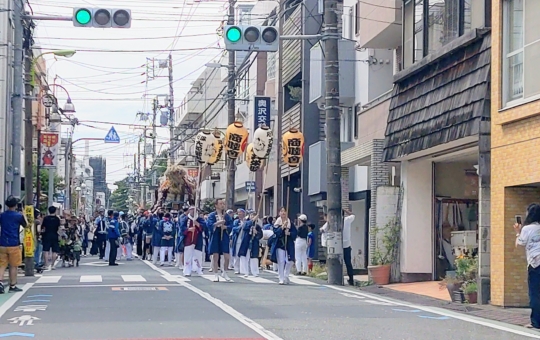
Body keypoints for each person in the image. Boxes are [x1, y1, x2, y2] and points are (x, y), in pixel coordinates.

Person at [515, 203, 540, 329]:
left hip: (535, 264)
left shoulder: (527, 228)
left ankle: (536, 322)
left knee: (535, 293)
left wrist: (518, 232)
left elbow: (519, 245)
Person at [0, 196, 27, 292]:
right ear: (16, 205)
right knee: (13, 265)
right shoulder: (18, 216)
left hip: (2, 243)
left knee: (2, 265)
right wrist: (23, 214)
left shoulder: (2, 215)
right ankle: (12, 286)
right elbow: (26, 225)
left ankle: (0, 283)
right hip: (14, 243)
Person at [206, 199, 233, 282]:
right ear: (216, 205)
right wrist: (217, 223)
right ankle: (216, 274)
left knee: (227, 256)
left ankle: (224, 272)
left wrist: (226, 227)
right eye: (220, 203)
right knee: (215, 256)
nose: (222, 205)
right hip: (215, 236)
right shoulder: (212, 215)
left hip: (224, 236)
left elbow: (231, 225)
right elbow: (209, 225)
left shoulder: (226, 215)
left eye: (223, 204)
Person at [270, 208, 297, 285]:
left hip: (288, 244)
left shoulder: (290, 223)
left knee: (290, 261)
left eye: (284, 211)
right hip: (280, 244)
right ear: (279, 213)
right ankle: (281, 278)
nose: (283, 213)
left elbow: (295, 233)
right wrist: (282, 227)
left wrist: (289, 233)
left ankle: (286, 274)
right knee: (281, 261)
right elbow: (276, 233)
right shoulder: (276, 223)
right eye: (281, 211)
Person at [181, 206, 205, 276]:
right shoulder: (185, 219)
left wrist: (197, 224)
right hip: (188, 240)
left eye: (194, 210)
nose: (192, 211)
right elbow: (181, 227)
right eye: (191, 210)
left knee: (198, 255)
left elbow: (204, 227)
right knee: (187, 256)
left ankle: (198, 269)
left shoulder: (199, 219)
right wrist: (188, 229)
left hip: (197, 239)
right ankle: (187, 271)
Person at [41, 206, 61, 270]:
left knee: (46, 250)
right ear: (55, 211)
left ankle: (46, 265)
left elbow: (43, 227)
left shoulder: (46, 218)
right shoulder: (57, 219)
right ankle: (53, 265)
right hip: (55, 235)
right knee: (54, 251)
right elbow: (59, 227)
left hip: (47, 235)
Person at [231, 209, 248, 275]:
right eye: (239, 213)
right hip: (237, 240)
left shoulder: (247, 221)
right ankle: (236, 269)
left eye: (241, 213)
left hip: (244, 240)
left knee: (244, 255)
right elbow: (234, 229)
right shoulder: (236, 221)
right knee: (236, 255)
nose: (239, 215)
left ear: (244, 214)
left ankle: (243, 269)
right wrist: (240, 226)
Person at [343, 208, 355, 286]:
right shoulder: (347, 220)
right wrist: (345, 210)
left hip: (337, 245)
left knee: (337, 262)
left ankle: (337, 277)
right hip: (346, 245)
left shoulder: (334, 221)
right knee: (348, 263)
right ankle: (351, 279)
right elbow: (353, 215)